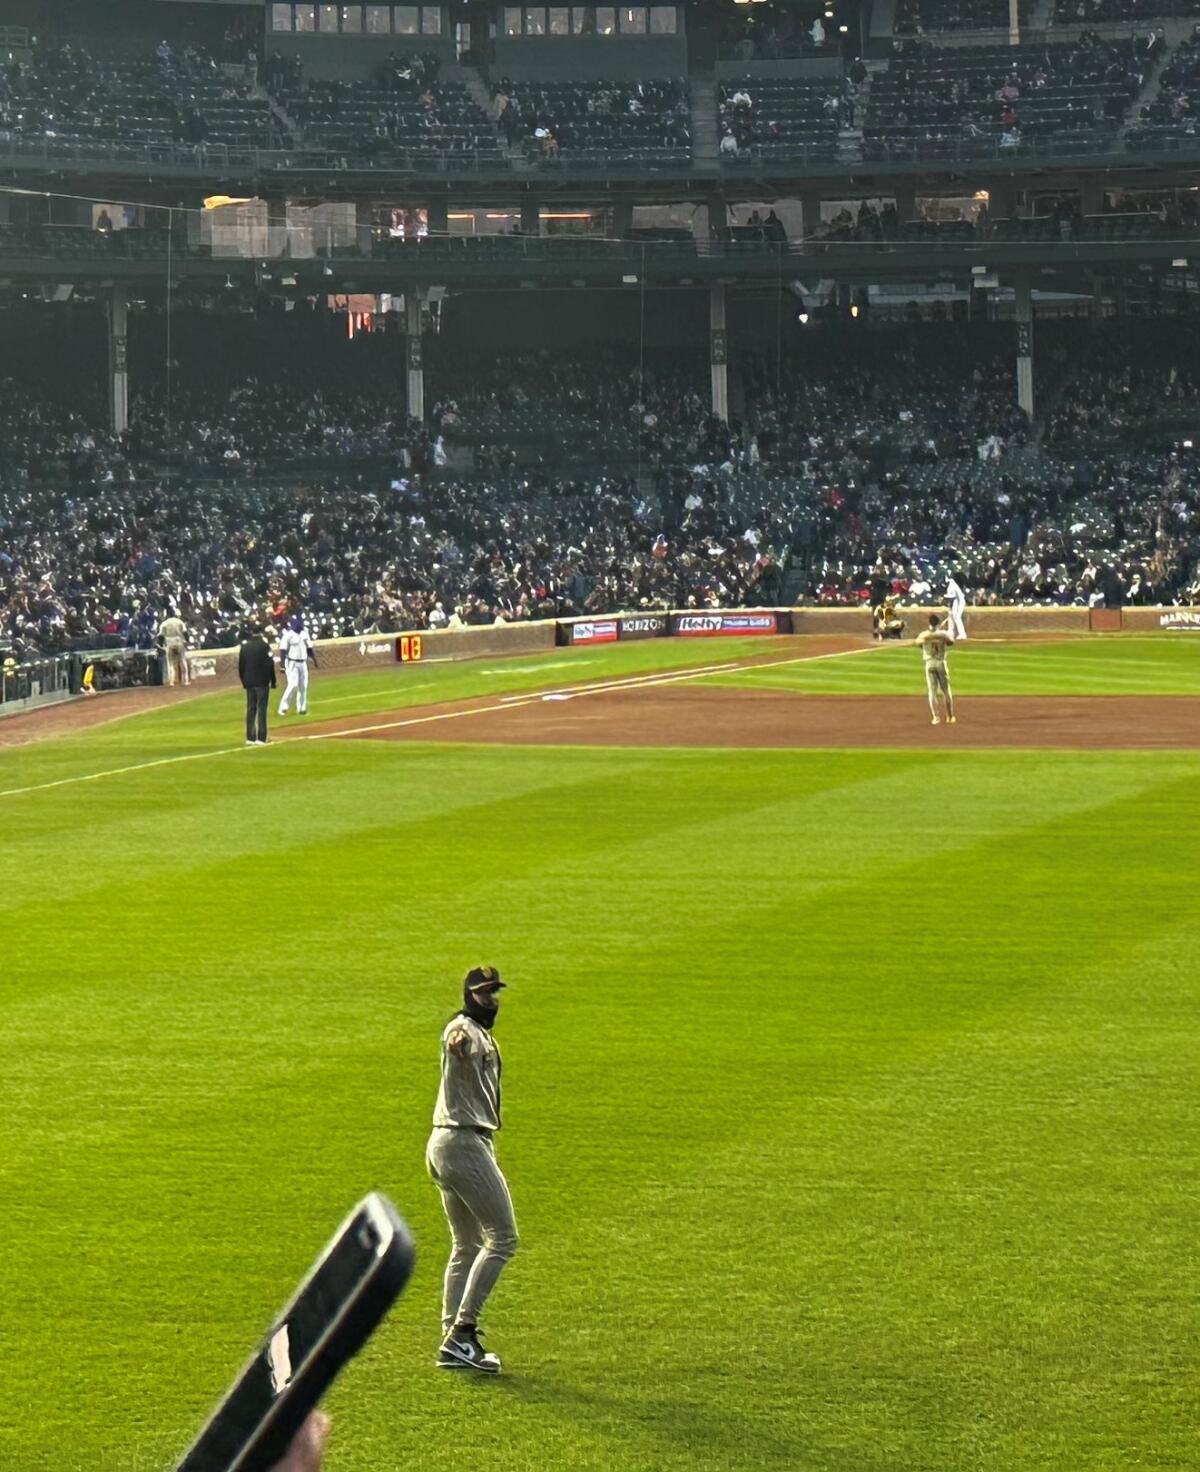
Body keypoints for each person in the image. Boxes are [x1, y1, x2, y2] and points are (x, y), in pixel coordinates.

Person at [426, 966, 517, 1375]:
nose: (491, 999)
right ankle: (462, 1333)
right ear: (468, 995)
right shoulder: (461, 1030)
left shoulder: (482, 1031)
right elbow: (455, 1041)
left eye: (494, 992)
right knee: (503, 1239)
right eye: (483, 994)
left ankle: (451, 1341)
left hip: (448, 1143)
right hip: (462, 1143)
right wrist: (458, 1042)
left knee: (466, 1244)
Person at [238, 622, 277, 745]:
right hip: (262, 681)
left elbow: (241, 666)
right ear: (261, 633)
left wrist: (244, 681)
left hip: (249, 681)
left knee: (251, 709)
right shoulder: (264, 646)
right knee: (261, 709)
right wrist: (273, 680)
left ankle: (250, 737)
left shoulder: (244, 647)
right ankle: (261, 737)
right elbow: (270, 664)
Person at [915, 613, 956, 725]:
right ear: (938, 623)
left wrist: (929, 638)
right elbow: (951, 642)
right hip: (940, 662)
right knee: (946, 690)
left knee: (932, 691)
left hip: (929, 663)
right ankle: (950, 716)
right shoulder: (943, 634)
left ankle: (935, 717)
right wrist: (944, 634)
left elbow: (918, 643)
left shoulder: (923, 634)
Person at [278, 612, 317, 717]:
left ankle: (302, 708)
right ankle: (283, 707)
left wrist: (314, 659)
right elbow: (282, 651)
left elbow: (309, 648)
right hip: (292, 663)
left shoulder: (305, 633)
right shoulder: (288, 635)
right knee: (292, 685)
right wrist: (282, 666)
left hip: (303, 663)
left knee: (303, 686)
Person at [158, 607, 189, 688]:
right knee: (182, 661)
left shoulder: (164, 623)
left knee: (171, 663)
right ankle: (185, 680)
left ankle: (171, 681)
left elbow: (160, 636)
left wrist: (160, 645)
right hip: (179, 641)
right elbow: (185, 633)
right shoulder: (179, 621)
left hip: (169, 643)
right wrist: (187, 641)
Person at [945, 574, 968, 640]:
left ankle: (962, 634)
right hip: (955, 601)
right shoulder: (950, 584)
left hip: (959, 601)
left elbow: (952, 597)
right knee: (951, 615)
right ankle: (950, 632)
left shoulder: (952, 584)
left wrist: (948, 603)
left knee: (957, 616)